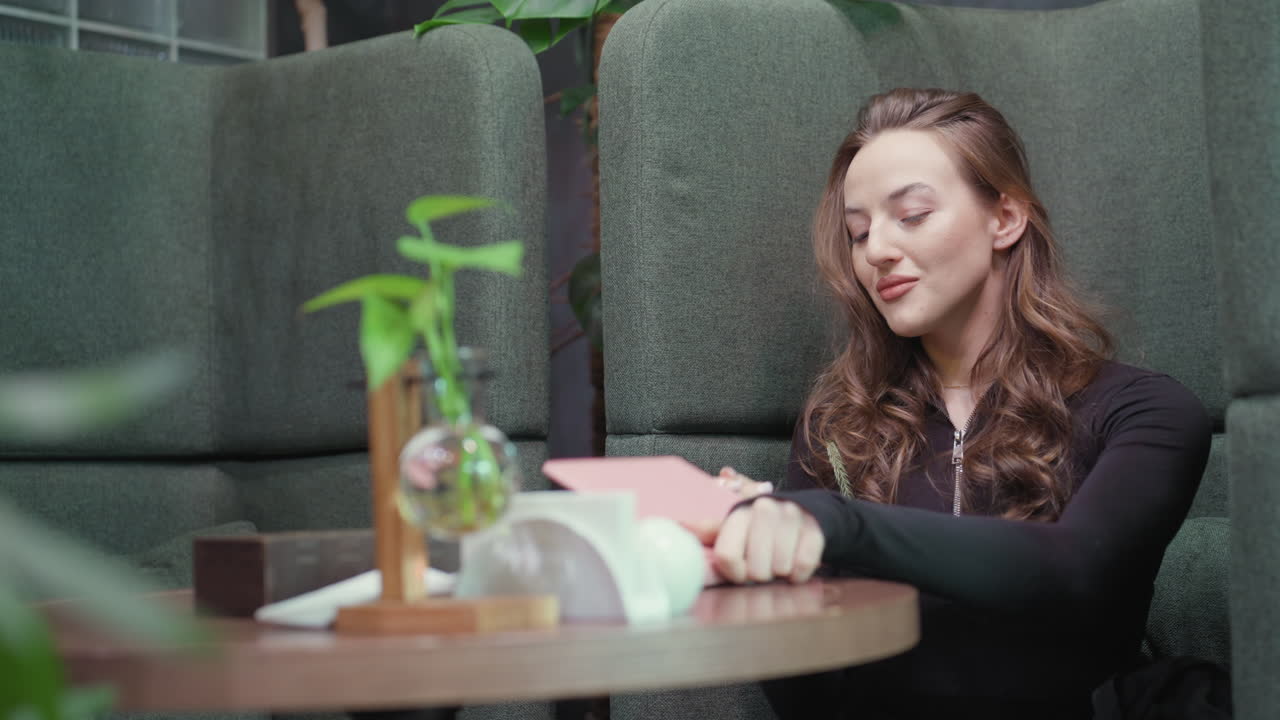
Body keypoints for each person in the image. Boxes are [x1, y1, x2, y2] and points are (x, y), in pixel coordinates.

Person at [698, 88, 1212, 719]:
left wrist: (831, 522)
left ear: (1006, 219)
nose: (876, 250)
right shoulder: (839, 426)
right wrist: (760, 566)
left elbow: (1077, 570)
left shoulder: (1144, 409)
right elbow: (809, 693)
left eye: (911, 214)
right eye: (859, 232)